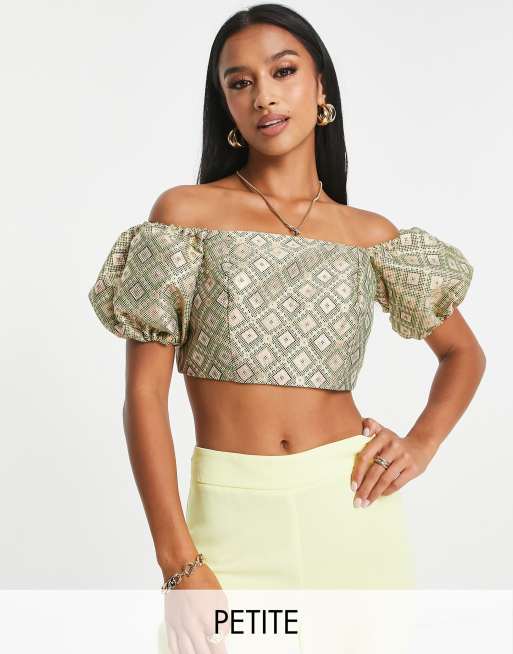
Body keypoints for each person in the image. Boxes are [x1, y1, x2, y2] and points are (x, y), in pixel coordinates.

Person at [87, 3, 485, 651]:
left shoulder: (369, 236)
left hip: (354, 518)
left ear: (320, 86)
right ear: (225, 103)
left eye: (283, 71)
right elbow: (143, 396)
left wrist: (421, 443)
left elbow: (463, 354)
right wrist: (177, 563)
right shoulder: (184, 215)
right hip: (229, 524)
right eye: (240, 82)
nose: (264, 96)